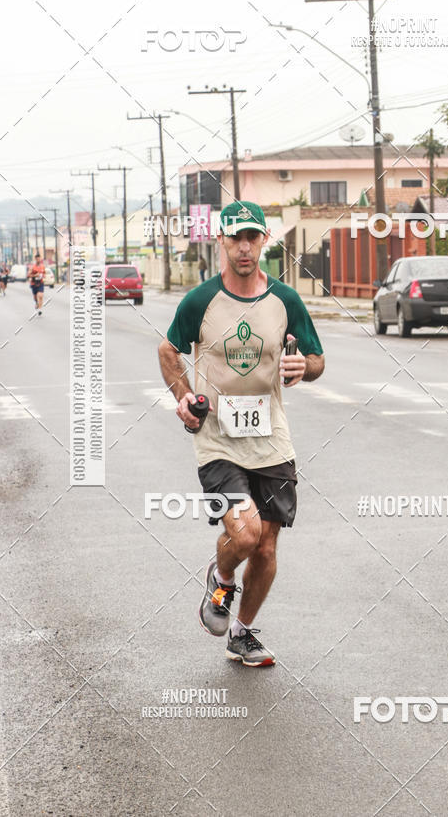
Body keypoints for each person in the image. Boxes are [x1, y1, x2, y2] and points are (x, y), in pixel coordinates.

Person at [158, 201, 325, 667]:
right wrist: (184, 397)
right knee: (246, 534)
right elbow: (169, 351)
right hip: (217, 438)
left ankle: (242, 633)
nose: (245, 247)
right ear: (223, 242)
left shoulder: (285, 300)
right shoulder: (200, 301)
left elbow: (316, 360)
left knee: (268, 546)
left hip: (271, 437)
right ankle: (223, 576)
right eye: (237, 238)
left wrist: (303, 367)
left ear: (264, 240)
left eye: (253, 237)